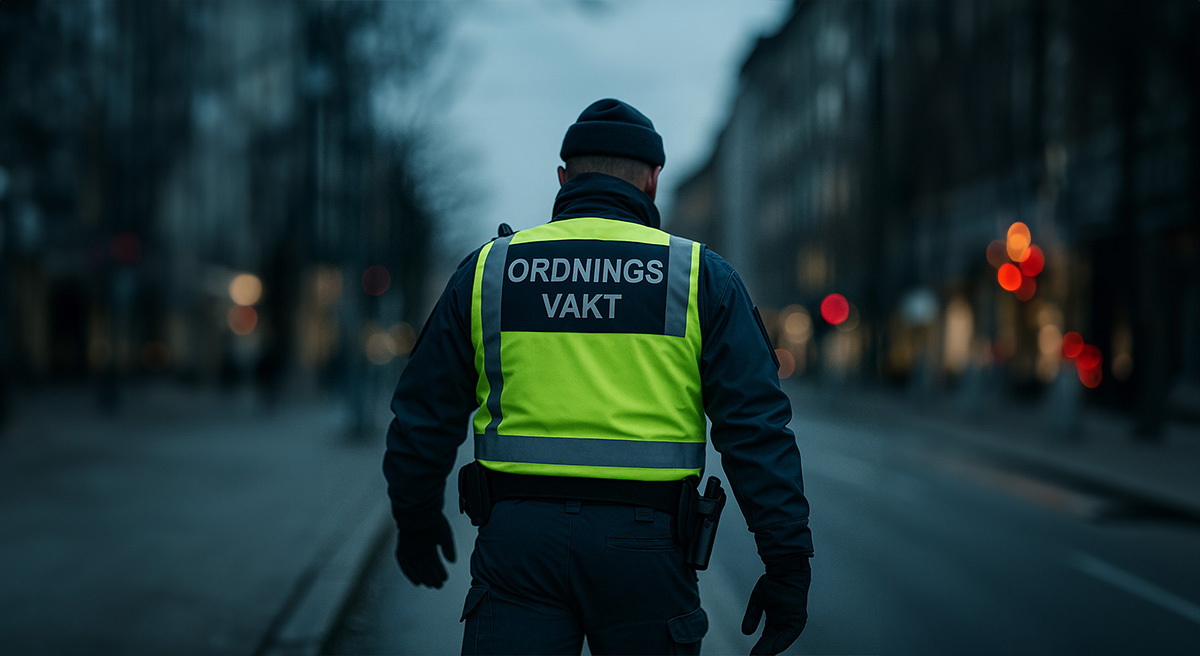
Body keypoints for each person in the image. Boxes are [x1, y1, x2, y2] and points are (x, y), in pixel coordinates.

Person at [383, 98, 812, 655]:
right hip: (649, 550)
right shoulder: (700, 276)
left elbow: (424, 411)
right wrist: (786, 562)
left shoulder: (491, 270)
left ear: (563, 177)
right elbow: (756, 428)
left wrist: (414, 517)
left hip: (518, 543)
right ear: (653, 181)